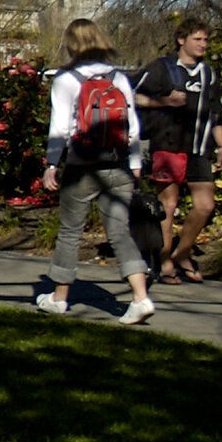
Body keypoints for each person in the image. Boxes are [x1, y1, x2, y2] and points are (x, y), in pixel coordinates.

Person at [40, 19, 155, 324]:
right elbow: (132, 125)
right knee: (120, 231)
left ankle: (59, 299)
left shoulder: (66, 79)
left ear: (71, 44)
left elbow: (60, 128)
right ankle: (141, 297)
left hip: (82, 166)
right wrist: (135, 164)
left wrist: (52, 164)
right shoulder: (119, 77)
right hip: (116, 162)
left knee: (70, 231)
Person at [134, 15, 222, 283]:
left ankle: (182, 253)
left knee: (205, 205)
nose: (203, 44)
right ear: (181, 40)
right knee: (169, 205)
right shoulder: (161, 68)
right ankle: (164, 261)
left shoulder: (208, 73)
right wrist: (164, 101)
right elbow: (130, 94)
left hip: (198, 149)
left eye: (206, 40)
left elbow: (216, 113)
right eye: (197, 39)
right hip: (168, 146)